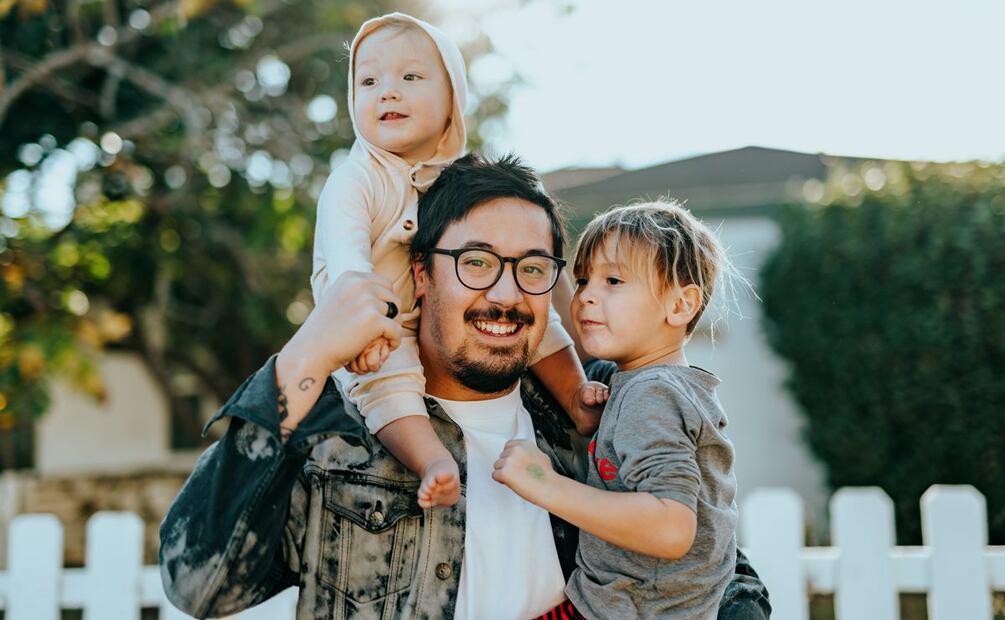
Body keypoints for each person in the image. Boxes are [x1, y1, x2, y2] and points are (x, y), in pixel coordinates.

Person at [159, 154, 770, 619]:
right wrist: (303, 358)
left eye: (532, 269)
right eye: (476, 262)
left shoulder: (597, 405)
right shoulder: (335, 430)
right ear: (421, 275)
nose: (505, 294)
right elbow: (198, 583)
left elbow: (717, 563)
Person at [310, 12, 605, 510]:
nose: (388, 92)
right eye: (369, 81)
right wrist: (363, 330)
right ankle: (432, 460)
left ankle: (576, 396)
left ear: (453, 99)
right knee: (389, 386)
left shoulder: (460, 182)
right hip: (372, 325)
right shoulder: (356, 178)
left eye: (410, 77)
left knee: (539, 315)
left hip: (424, 315)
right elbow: (347, 265)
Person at [495, 201, 742, 619]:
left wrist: (544, 484)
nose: (587, 295)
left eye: (613, 280)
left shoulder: (652, 394)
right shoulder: (660, 387)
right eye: (582, 279)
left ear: (680, 306)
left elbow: (671, 528)